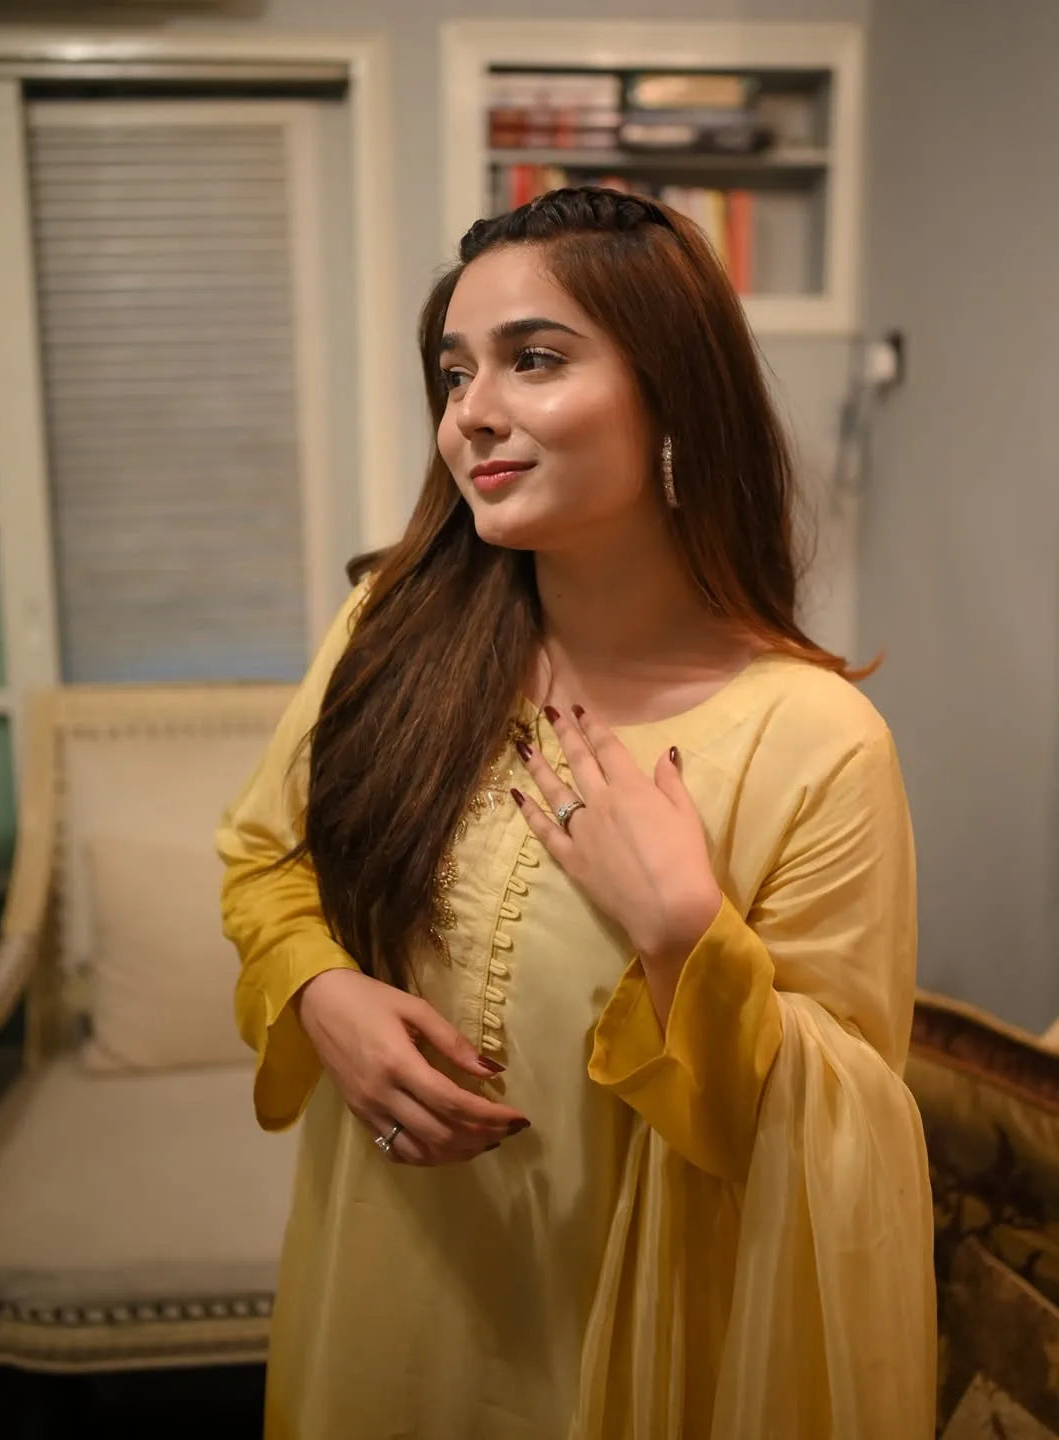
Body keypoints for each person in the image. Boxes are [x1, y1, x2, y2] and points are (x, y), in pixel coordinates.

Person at [217, 186, 936, 1440]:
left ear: (674, 398)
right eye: (453, 375)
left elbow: (840, 1156)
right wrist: (320, 992)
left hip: (624, 1348)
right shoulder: (390, 637)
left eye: (533, 361)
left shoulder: (817, 745)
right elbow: (264, 860)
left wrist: (683, 936)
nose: (472, 415)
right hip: (375, 1297)